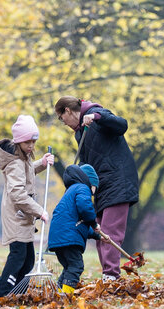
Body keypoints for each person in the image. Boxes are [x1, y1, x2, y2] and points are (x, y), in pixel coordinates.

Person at [54, 96, 139, 281]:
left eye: (62, 119)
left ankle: (111, 275)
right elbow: (87, 163)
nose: (64, 123)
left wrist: (98, 117)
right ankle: (108, 275)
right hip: (100, 186)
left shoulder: (96, 113)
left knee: (110, 231)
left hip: (119, 180)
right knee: (100, 232)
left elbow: (121, 125)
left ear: (67, 111)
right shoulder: (80, 132)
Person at [0, 115, 53, 297]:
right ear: (19, 141)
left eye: (34, 142)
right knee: (18, 257)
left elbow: (27, 172)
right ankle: (2, 293)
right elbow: (18, 194)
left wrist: (41, 163)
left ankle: (18, 291)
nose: (31, 146)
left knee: (28, 260)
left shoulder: (23, 158)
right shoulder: (15, 162)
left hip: (22, 216)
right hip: (16, 216)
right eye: (28, 142)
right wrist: (39, 210)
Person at [47, 164, 101, 294]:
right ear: (90, 181)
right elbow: (85, 207)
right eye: (95, 187)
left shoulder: (71, 191)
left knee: (69, 267)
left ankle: (59, 292)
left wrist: (97, 236)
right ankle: (66, 295)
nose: (94, 191)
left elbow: (78, 224)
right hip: (69, 238)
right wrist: (94, 223)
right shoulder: (83, 188)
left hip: (59, 237)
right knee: (76, 266)